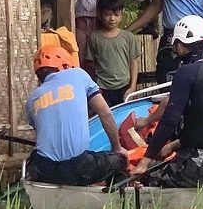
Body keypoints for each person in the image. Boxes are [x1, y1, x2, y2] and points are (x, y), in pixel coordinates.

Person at [130, 16, 203, 188]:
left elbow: (169, 120)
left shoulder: (186, 73)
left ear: (180, 46)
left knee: (145, 176)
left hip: (202, 168)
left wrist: (145, 161)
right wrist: (173, 146)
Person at [25, 45, 127, 185]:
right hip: (78, 168)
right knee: (120, 161)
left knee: (36, 156)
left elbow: (43, 132)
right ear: (66, 65)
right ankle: (117, 196)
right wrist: (117, 148)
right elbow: (105, 113)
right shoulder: (78, 74)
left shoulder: (32, 99)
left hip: (45, 171)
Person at [84, 0, 141, 107]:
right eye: (108, 14)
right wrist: (95, 87)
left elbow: (133, 62)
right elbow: (90, 64)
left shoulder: (128, 37)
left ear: (121, 14)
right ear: (100, 15)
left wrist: (133, 86)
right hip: (103, 88)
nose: (112, 18)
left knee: (125, 116)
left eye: (116, 14)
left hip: (124, 86)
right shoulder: (94, 37)